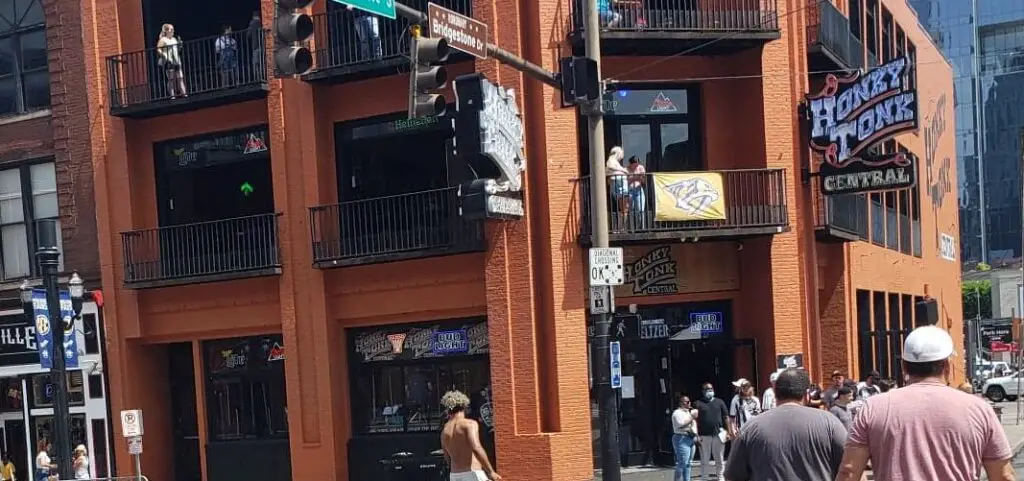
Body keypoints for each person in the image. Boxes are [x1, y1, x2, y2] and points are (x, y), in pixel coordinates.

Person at [837, 325, 1016, 481]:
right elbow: (1003, 476)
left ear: (904, 367)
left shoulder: (872, 408)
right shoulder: (978, 409)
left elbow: (849, 472)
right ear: (947, 366)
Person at [723, 368, 846, 481]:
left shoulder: (750, 428)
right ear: (806, 395)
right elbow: (849, 467)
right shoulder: (830, 422)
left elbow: (733, 476)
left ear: (775, 394)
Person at [440, 390, 501, 481]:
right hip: (473, 473)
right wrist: (490, 471)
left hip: (455, 475)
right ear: (464, 406)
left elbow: (447, 457)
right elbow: (476, 448)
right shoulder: (469, 424)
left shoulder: (445, 430)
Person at [694, 382, 728, 480]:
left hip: (718, 434)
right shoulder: (698, 403)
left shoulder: (719, 402)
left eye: (711, 389)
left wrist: (729, 432)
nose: (709, 391)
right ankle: (705, 478)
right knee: (705, 459)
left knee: (720, 458)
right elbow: (694, 420)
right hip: (704, 436)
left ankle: (720, 477)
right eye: (706, 389)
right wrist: (696, 435)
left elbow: (726, 417)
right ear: (702, 391)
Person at [670, 395, 697, 481]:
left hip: (691, 438)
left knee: (689, 463)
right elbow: (680, 425)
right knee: (682, 463)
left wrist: (696, 435)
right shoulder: (677, 413)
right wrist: (692, 417)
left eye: (690, 402)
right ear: (682, 403)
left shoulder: (688, 412)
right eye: (687, 402)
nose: (689, 403)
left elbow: (693, 426)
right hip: (681, 438)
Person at [156, 23, 187, 99]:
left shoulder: (174, 39)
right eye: (171, 29)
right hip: (169, 60)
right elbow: (158, 48)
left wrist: (180, 45)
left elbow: (177, 49)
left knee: (180, 78)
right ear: (166, 31)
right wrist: (163, 55)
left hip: (176, 60)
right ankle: (172, 95)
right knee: (171, 79)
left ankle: (184, 94)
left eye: (173, 29)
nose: (173, 31)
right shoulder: (163, 39)